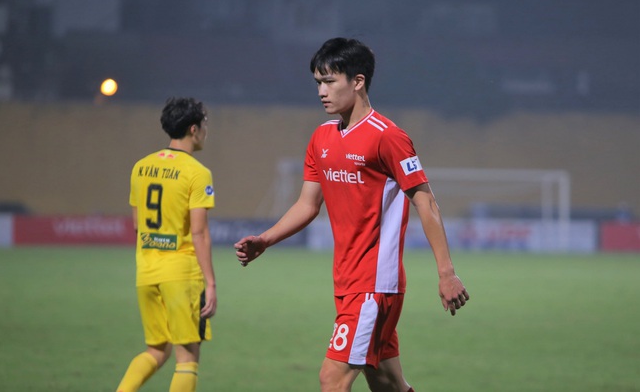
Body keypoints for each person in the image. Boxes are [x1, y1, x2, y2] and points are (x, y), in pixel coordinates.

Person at [234, 38, 469, 392]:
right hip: (346, 282)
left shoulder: (388, 137)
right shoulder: (322, 137)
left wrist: (446, 274)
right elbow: (307, 204)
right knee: (388, 384)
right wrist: (266, 240)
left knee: (332, 379)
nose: (321, 92)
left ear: (357, 81)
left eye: (329, 82)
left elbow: (426, 202)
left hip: (374, 285)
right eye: (318, 82)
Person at [117, 97, 217, 392]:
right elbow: (199, 233)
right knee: (187, 358)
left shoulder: (141, 167)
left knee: (157, 350)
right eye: (205, 124)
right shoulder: (197, 172)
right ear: (193, 129)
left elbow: (137, 226)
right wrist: (210, 283)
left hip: (147, 272)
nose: (206, 130)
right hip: (181, 274)